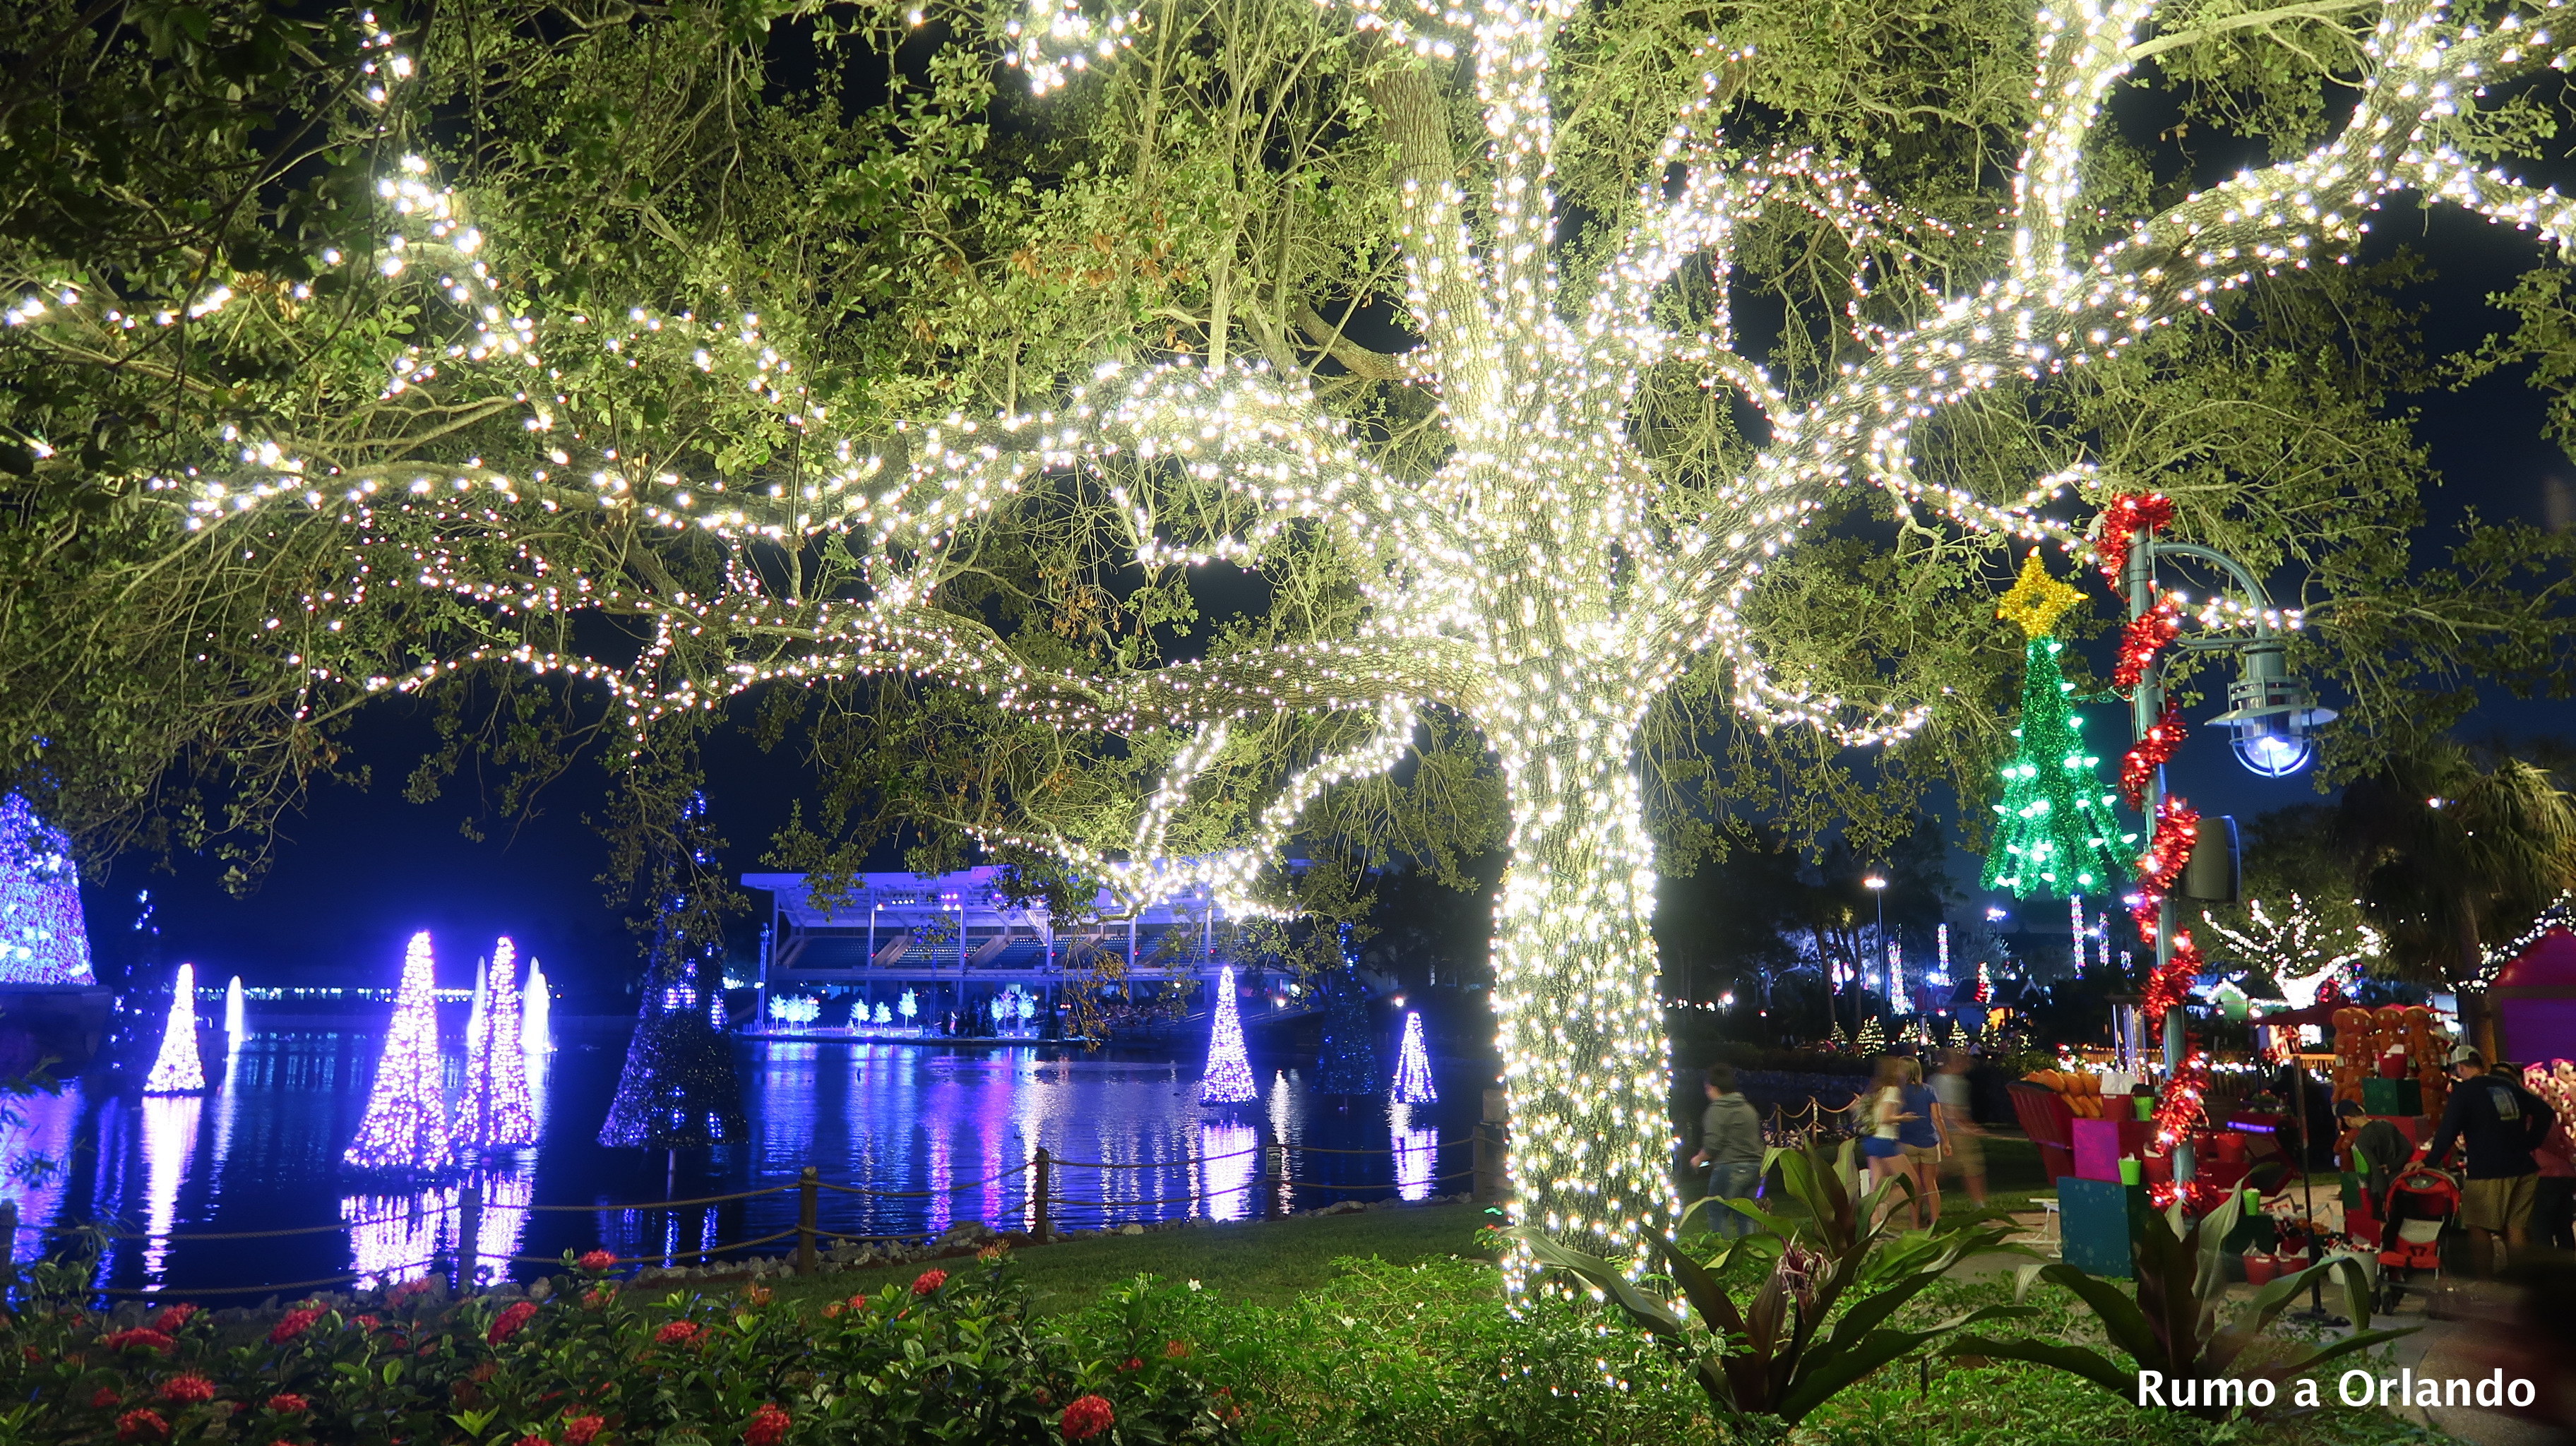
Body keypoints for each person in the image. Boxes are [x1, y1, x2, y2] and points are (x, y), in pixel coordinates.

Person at [2425, 1046, 2558, 1277]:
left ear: (2461, 1067)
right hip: (2523, 1168)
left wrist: (2429, 1160)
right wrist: (2530, 1142)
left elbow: (2448, 1131)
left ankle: (2485, 1283)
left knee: (2478, 1226)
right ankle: (2522, 1281)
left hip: (2488, 1171)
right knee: (2516, 1228)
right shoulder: (2507, 1085)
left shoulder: (2465, 1092)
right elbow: (2545, 1112)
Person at [1688, 1063, 1766, 1238]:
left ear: (1712, 1088)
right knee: (1745, 1214)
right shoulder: (1748, 1109)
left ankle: (1722, 1250)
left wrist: (1698, 1159)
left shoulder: (1717, 1110)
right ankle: (1750, 1249)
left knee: (1717, 1211)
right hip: (1755, 1167)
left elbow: (1713, 1145)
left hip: (1730, 1168)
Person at [2525, 1063, 2575, 1252]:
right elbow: (2566, 1145)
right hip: (2564, 1174)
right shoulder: (2551, 1115)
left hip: (2544, 1175)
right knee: (2564, 1229)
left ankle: (2549, 1268)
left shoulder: (2529, 1116)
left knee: (2542, 1229)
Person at [2337, 1098, 2412, 1224]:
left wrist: (2383, 1197)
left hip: (2381, 1188)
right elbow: (2408, 1149)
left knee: (2386, 1228)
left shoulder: (2362, 1139)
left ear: (2347, 1118)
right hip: (2401, 1182)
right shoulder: (2387, 1124)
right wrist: (2392, 1166)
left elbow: (2375, 1169)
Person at [1892, 1057, 1946, 1226]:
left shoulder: (1897, 1092)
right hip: (1929, 1141)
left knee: (1914, 1186)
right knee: (1931, 1184)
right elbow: (1937, 1118)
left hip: (1907, 1142)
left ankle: (1915, 1225)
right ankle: (1935, 1222)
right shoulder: (1929, 1091)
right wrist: (1946, 1141)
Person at [1859, 1056, 1914, 1220]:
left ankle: (1872, 1223)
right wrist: (1903, 1118)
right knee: (1912, 1185)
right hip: (1885, 1141)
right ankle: (1883, 1205)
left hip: (1871, 1139)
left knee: (1876, 1185)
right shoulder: (1892, 1090)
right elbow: (1885, 1118)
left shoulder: (1875, 1090)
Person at [1931, 1049, 1986, 1207]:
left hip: (1948, 1133)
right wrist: (1967, 1127)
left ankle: (1919, 1203)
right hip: (1954, 1134)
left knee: (1942, 1171)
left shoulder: (1944, 1080)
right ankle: (1980, 1207)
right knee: (1972, 1168)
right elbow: (1948, 1110)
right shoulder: (1946, 1081)